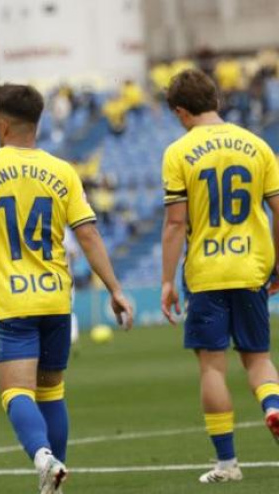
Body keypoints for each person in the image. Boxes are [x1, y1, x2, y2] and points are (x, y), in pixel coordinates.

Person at [0, 84, 134, 493]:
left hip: (10, 297)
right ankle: (53, 483)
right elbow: (89, 236)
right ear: (36, 124)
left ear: (1, 124)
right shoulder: (63, 171)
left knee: (15, 393)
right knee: (52, 391)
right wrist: (114, 288)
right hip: (56, 296)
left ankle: (42, 457)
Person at [161, 68, 279, 483]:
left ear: (181, 110)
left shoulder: (179, 152)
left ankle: (227, 464)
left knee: (212, 368)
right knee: (259, 358)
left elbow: (176, 224)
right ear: (215, 99)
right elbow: (278, 209)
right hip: (251, 269)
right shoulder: (257, 145)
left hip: (207, 273)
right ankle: (272, 406)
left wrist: (166, 281)